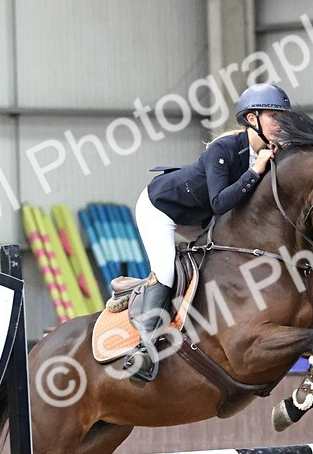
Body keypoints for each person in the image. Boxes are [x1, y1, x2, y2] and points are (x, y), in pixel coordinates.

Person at [124, 83, 291, 383]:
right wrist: (255, 173)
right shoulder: (223, 150)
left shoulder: (269, 153)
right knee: (165, 271)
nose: (281, 123)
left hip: (200, 216)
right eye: (273, 116)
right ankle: (143, 348)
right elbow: (220, 203)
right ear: (252, 119)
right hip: (161, 208)